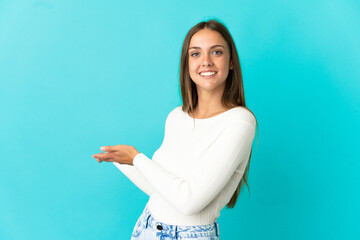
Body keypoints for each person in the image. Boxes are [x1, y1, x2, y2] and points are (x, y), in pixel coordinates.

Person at [92, 19, 259, 240]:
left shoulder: (240, 122)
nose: (206, 61)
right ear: (187, 64)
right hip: (147, 227)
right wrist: (122, 160)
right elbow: (160, 192)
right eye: (196, 54)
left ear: (231, 62)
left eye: (216, 52)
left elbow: (189, 202)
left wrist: (137, 158)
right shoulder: (176, 116)